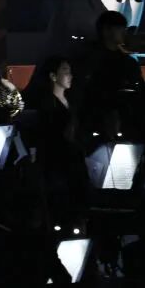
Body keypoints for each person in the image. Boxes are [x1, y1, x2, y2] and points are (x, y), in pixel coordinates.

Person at [74, 11, 145, 137]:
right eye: (120, 28)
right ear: (106, 30)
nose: (124, 32)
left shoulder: (128, 61)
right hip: (96, 116)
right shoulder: (90, 58)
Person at [35, 56, 87, 218]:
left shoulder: (72, 101)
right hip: (56, 162)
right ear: (53, 76)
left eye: (70, 71)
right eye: (65, 71)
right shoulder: (47, 104)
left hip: (74, 160)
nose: (70, 75)